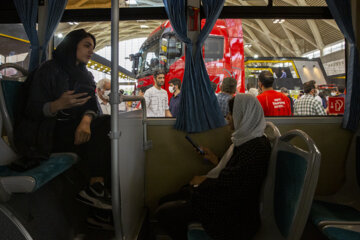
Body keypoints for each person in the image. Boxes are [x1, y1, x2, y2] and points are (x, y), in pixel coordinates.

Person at [14, 29, 112, 211]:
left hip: (71, 129)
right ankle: (97, 189)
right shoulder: (48, 70)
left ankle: (99, 191)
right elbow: (31, 109)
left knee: (109, 125)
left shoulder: (84, 75)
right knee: (105, 131)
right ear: (72, 45)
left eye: (93, 47)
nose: (91, 51)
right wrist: (57, 105)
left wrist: (86, 120)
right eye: (86, 45)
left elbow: (90, 104)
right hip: (46, 134)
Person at [156, 94, 271, 240]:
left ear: (243, 115)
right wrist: (215, 159)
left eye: (231, 113)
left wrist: (203, 181)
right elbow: (237, 172)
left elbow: (235, 185)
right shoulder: (246, 140)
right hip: (225, 198)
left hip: (232, 212)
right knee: (167, 200)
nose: (228, 117)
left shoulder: (256, 148)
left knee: (164, 213)